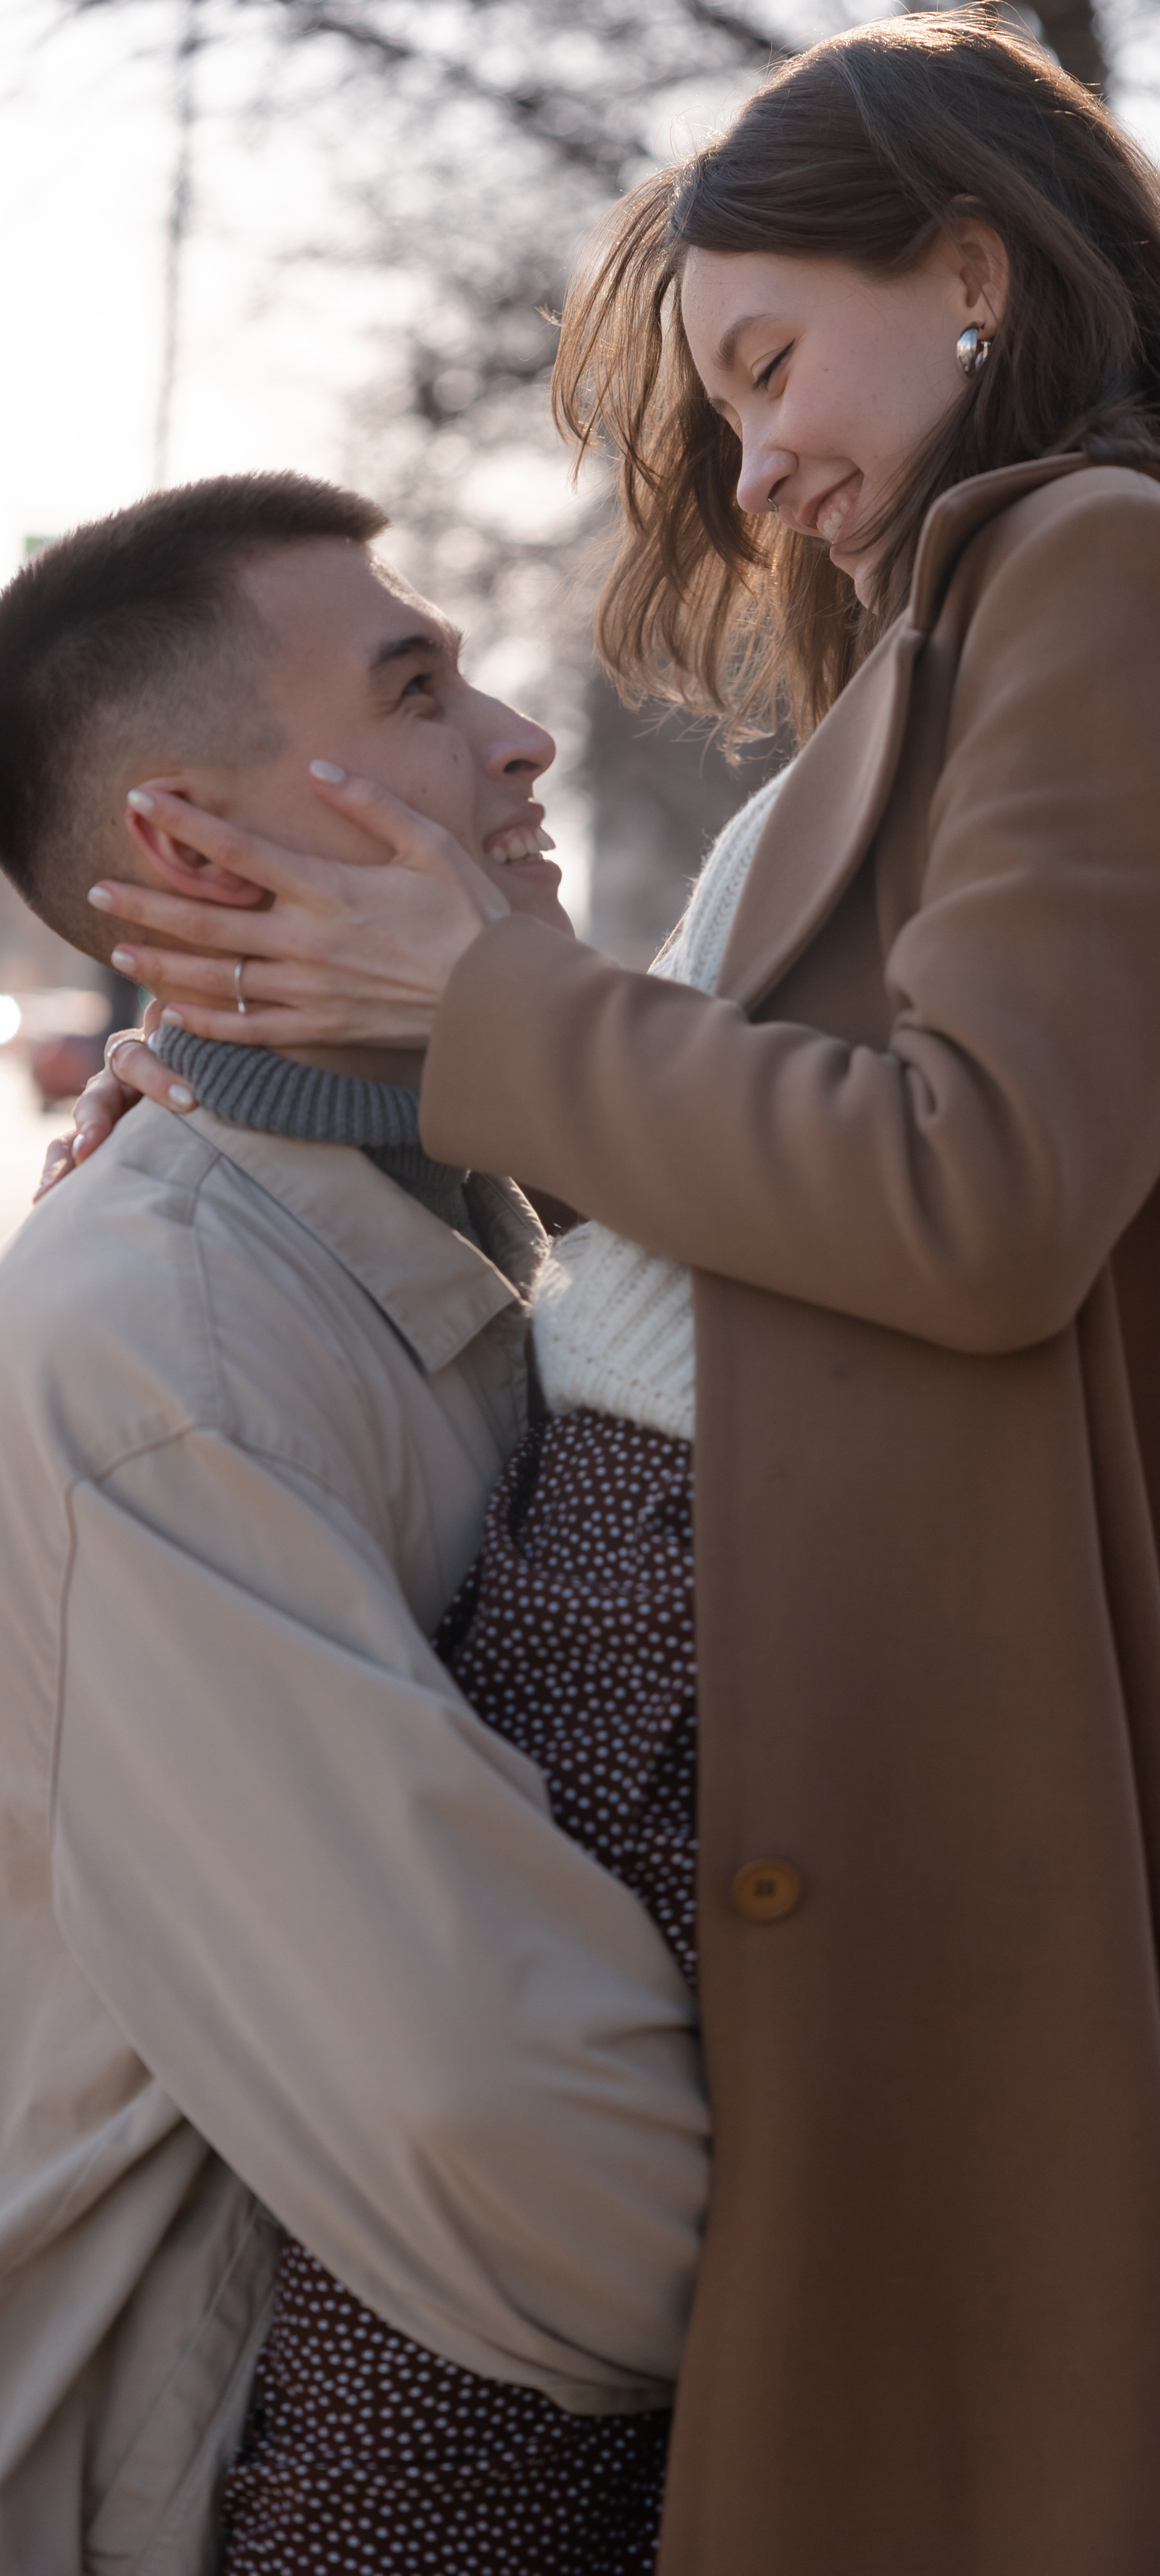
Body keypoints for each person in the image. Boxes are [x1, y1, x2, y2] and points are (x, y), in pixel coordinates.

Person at [73, 14, 1160, 2572]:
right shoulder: (988, 622)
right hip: (689, 1644)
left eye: (773, 364)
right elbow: (724, 1235)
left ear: (974, 268)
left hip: (725, 1665)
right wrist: (280, 1086)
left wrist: (479, 1011)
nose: (754, 459)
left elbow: (977, 1192)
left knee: (394, 2482)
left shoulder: (1107, 566)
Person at [0, 474, 713, 2576]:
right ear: (191, 849)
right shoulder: (161, 1357)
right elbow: (491, 2125)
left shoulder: (451, 1219)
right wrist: (867, 2307)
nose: (518, 738)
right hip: (215, 2477)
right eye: (419, 689)